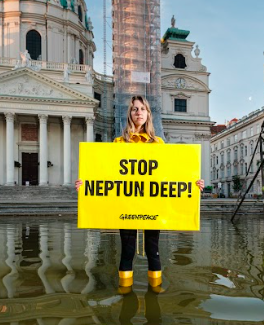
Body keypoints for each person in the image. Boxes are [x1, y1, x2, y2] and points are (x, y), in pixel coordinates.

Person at [76, 95, 204, 292]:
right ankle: (125, 291)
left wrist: (193, 183)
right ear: (130, 114)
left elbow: (169, 174)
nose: (138, 112)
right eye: (135, 109)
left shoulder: (158, 144)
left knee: (153, 250)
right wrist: (85, 184)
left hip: (152, 205)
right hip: (126, 205)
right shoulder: (119, 143)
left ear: (148, 114)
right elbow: (107, 173)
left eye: (142, 109)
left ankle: (155, 290)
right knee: (127, 252)